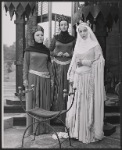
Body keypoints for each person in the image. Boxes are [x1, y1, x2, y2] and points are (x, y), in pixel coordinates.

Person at [66, 21, 105, 143]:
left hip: (89, 79)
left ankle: (87, 132)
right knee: (78, 103)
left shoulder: (95, 46)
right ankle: (76, 132)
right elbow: (73, 64)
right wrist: (72, 77)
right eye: (80, 31)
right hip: (78, 79)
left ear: (89, 31)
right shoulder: (77, 46)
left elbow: (100, 62)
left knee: (87, 103)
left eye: (84, 30)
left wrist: (85, 62)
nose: (82, 33)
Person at [23, 25, 53, 135]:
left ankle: (44, 129)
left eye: (42, 35)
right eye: (38, 35)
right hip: (33, 79)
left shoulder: (46, 50)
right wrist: (25, 79)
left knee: (44, 102)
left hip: (45, 79)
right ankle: (33, 129)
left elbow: (49, 65)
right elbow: (25, 65)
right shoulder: (28, 50)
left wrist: (52, 78)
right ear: (33, 37)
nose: (40, 37)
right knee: (34, 102)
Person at [49, 15, 76, 123]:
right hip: (57, 67)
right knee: (58, 89)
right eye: (61, 25)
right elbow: (49, 51)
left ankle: (68, 116)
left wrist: (69, 54)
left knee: (68, 89)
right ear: (59, 26)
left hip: (69, 66)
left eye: (65, 24)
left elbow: (77, 53)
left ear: (68, 26)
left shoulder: (73, 39)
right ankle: (57, 117)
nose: (63, 26)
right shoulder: (55, 38)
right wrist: (56, 53)